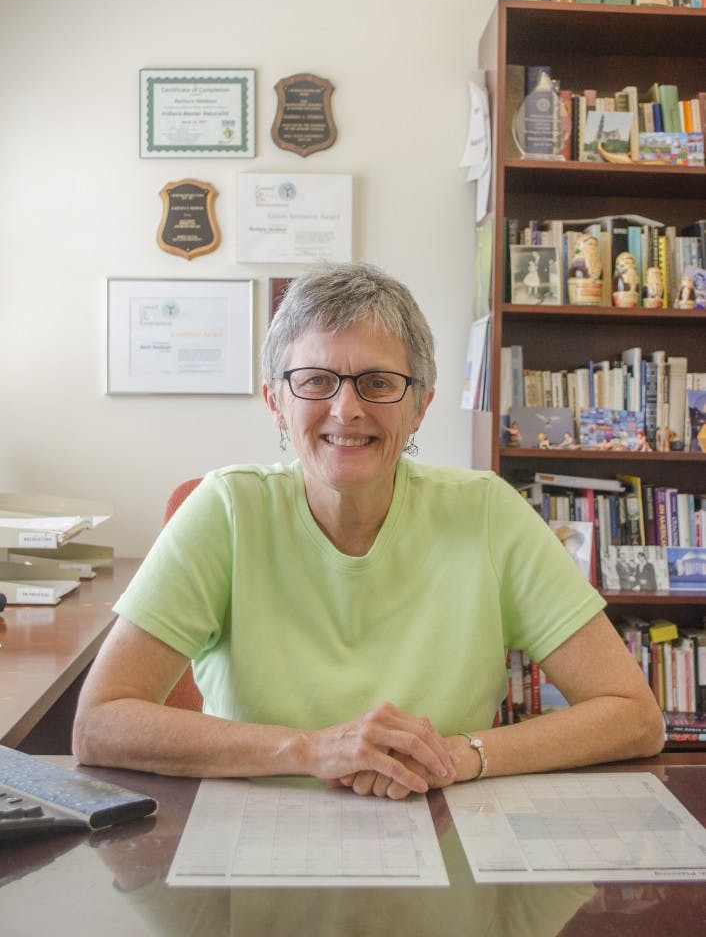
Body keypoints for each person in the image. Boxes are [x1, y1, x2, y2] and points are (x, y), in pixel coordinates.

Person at [73, 263, 664, 800]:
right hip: (254, 838)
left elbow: (634, 716)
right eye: (315, 381)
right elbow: (100, 722)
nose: (346, 408)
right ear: (276, 402)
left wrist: (459, 756)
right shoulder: (224, 509)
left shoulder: (488, 512)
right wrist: (309, 751)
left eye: (378, 383)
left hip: (439, 825)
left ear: (420, 407)